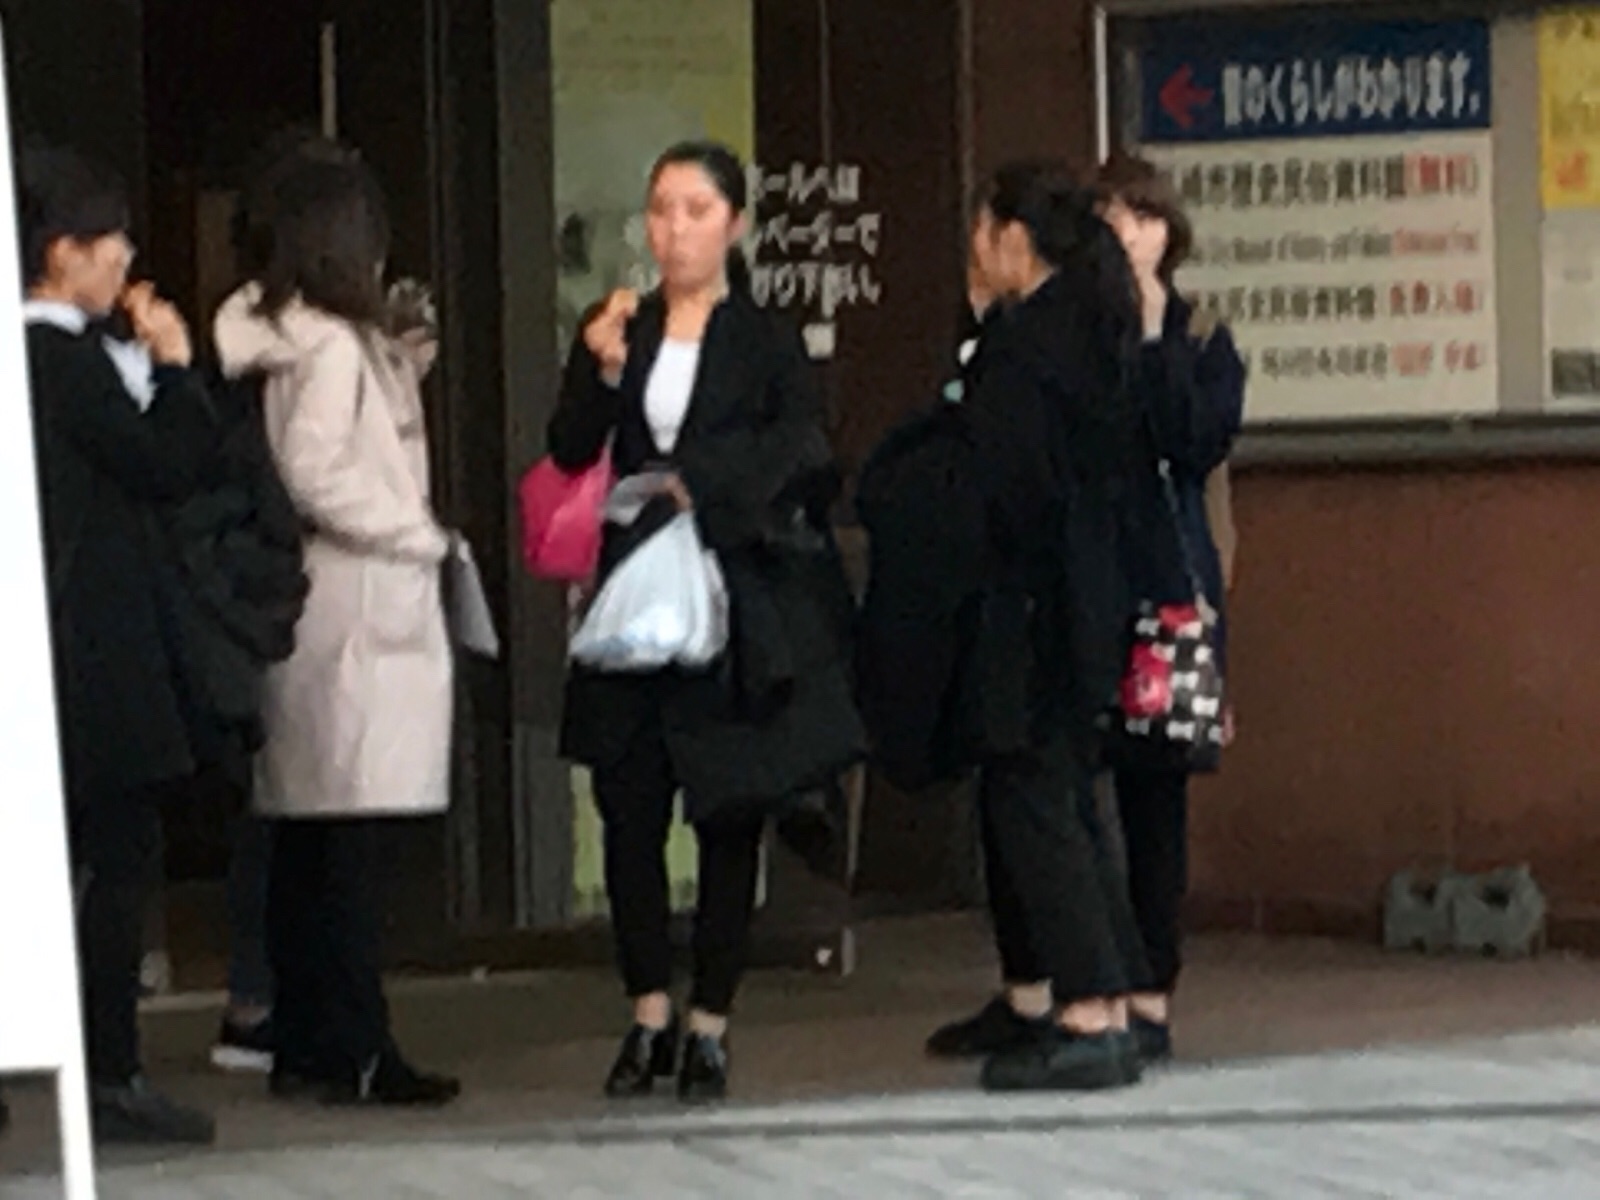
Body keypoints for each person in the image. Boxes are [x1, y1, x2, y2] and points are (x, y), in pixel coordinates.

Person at [547, 140, 861, 1102]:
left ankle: (710, 1020)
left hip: (734, 596)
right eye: (660, 210)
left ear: (735, 223)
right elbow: (568, 448)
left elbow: (805, 447)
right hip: (636, 593)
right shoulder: (624, 326)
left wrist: (706, 487)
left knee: (729, 811)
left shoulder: (763, 337)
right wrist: (599, 372)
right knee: (629, 806)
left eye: (695, 210)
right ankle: (646, 1010)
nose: (673, 230)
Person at [213, 154, 459, 1107]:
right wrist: (417, 534)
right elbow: (316, 470)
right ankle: (357, 1041)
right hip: (360, 607)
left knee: (310, 841)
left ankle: (310, 1041)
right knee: (351, 849)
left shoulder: (293, 340)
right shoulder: (333, 350)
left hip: (316, 614)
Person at [922, 161, 1150, 1092]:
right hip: (1089, 596)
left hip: (1031, 605)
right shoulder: (1097, 328)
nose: (973, 253)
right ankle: (1115, 1000)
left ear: (1014, 238)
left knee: (1038, 802)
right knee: (1072, 801)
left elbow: (1002, 481)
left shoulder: (1025, 347)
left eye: (981, 233)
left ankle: (1088, 1010)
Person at [19, 145, 218, 1143]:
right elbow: (169, 465)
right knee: (115, 855)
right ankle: (107, 1066)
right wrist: (175, 367)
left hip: (45, 639)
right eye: (111, 241)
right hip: (95, 644)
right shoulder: (64, 362)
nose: (126, 259)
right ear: (62, 253)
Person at [207, 129, 354, 1076]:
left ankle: (261, 996)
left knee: (269, 797)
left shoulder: (239, 331)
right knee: (292, 798)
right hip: (286, 581)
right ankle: (269, 999)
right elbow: (312, 472)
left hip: (245, 579)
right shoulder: (308, 340)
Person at [1096, 152, 1246, 1063]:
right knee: (1073, 795)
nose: (1131, 235)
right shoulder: (1069, 336)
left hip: (1168, 598)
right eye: (1114, 218)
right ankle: (1086, 985)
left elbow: (1194, 440)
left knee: (1154, 799)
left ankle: (1152, 988)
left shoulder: (1203, 336)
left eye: (1146, 218)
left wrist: (1155, 337)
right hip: (1083, 585)